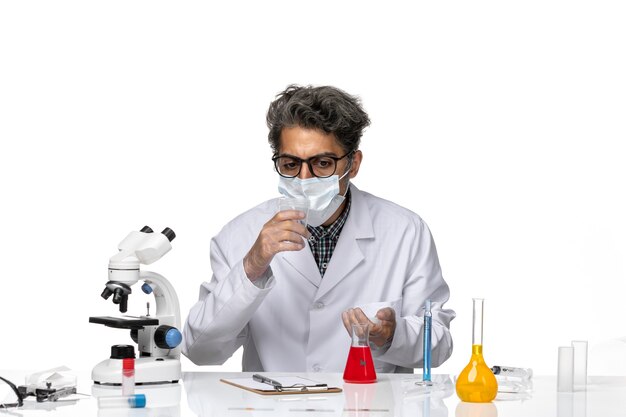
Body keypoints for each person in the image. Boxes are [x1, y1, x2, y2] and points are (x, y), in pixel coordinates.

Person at [182, 85, 455, 373]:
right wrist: (251, 267)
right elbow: (200, 350)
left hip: (370, 408)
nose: (304, 178)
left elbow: (438, 346)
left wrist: (393, 334)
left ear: (353, 163)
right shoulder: (240, 236)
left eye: (322, 164)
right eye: (290, 164)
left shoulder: (405, 232)